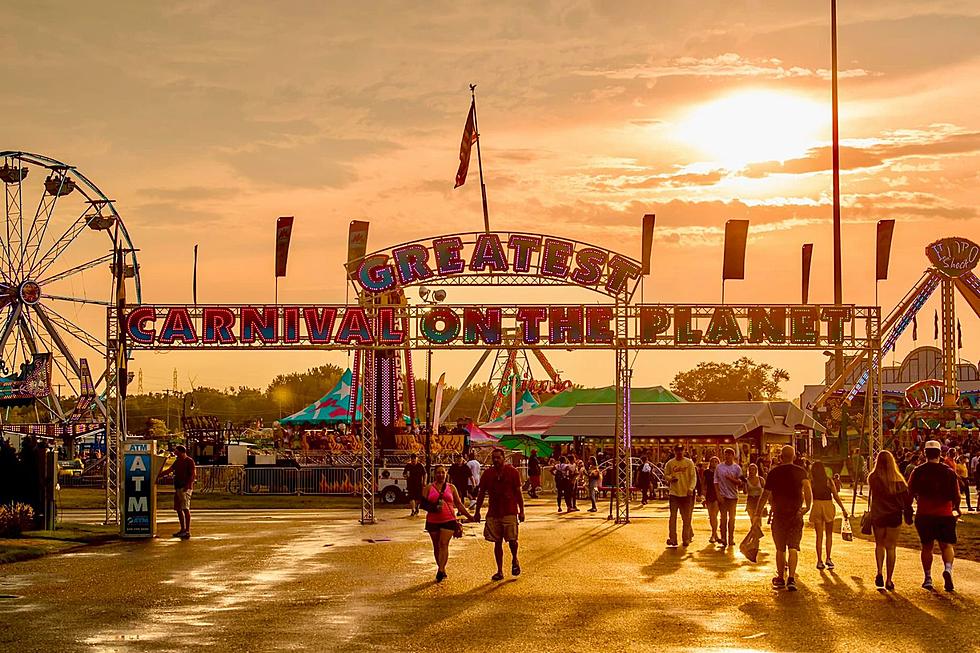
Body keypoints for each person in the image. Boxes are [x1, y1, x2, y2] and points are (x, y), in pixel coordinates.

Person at [754, 445, 811, 591]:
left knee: (780, 548)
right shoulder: (801, 472)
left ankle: (780, 578)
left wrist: (757, 513)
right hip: (795, 514)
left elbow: (765, 494)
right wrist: (807, 507)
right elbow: (807, 488)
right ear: (794, 457)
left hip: (779, 514)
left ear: (781, 457)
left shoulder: (774, 472)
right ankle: (791, 578)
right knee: (793, 547)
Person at [908, 440, 961, 592]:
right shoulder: (949, 472)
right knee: (947, 545)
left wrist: (908, 510)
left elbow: (910, 492)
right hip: (945, 514)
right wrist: (956, 508)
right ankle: (948, 569)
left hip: (924, 514)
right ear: (940, 454)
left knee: (927, 547)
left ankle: (928, 578)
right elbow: (956, 494)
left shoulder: (918, 471)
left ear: (925, 454)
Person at [474, 448, 525, 581]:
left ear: (504, 458)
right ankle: (499, 570)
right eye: (494, 458)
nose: (496, 460)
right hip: (494, 512)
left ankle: (514, 559)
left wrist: (522, 511)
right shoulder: (487, 474)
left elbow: (518, 493)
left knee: (512, 540)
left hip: (510, 511)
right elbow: (481, 494)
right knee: (497, 542)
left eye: (498, 457)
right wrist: (477, 511)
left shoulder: (512, 472)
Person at [867, 450, 913, 591]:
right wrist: (909, 516)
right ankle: (889, 580)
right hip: (894, 516)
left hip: (878, 515)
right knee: (891, 547)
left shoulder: (873, 478)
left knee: (879, 544)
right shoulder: (899, 480)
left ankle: (879, 571)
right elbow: (907, 500)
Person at [423, 464, 472, 582]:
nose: (440, 475)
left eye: (442, 472)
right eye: (438, 472)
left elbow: (459, 504)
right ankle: (441, 568)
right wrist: (434, 507)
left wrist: (469, 516)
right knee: (436, 546)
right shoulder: (428, 488)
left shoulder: (452, 487)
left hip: (449, 520)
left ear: (446, 474)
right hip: (433, 520)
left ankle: (440, 569)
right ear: (434, 474)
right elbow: (423, 504)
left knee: (443, 543)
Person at [808, 460, 848, 570]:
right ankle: (828, 558)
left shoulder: (812, 482)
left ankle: (819, 560)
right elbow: (835, 495)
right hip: (828, 506)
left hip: (816, 506)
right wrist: (843, 509)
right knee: (829, 534)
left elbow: (806, 495)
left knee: (819, 536)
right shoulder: (828, 481)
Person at [664, 445, 697, 547]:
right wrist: (670, 478)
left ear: (684, 451)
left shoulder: (689, 463)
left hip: (686, 494)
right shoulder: (670, 463)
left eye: (681, 450)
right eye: (677, 450)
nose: (679, 452)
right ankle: (673, 538)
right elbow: (666, 475)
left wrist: (691, 488)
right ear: (674, 451)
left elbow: (693, 477)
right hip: (674, 493)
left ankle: (686, 538)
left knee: (686, 518)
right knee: (673, 517)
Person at [161, 445, 195, 539]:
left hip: (185, 488)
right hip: (178, 487)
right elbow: (170, 470)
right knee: (178, 509)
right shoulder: (177, 461)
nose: (175, 453)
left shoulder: (189, 461)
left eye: (176, 451)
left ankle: (187, 530)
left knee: (185, 508)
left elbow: (192, 474)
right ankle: (182, 529)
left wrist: (188, 486)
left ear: (181, 451)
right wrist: (158, 474)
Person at [714, 448, 742, 547]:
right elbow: (716, 482)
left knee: (732, 518)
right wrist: (718, 494)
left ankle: (731, 538)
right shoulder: (719, 467)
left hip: (733, 496)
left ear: (733, 456)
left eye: (729, 454)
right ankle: (723, 538)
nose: (727, 456)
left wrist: (731, 479)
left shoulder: (737, 468)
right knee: (723, 518)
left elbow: (740, 482)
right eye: (726, 454)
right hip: (723, 496)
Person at [702, 457, 721, 543]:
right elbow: (704, 484)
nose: (714, 463)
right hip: (709, 494)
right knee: (711, 516)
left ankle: (713, 534)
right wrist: (703, 495)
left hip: (717, 494)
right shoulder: (707, 472)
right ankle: (715, 534)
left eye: (716, 461)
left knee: (714, 515)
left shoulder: (720, 472)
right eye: (713, 461)